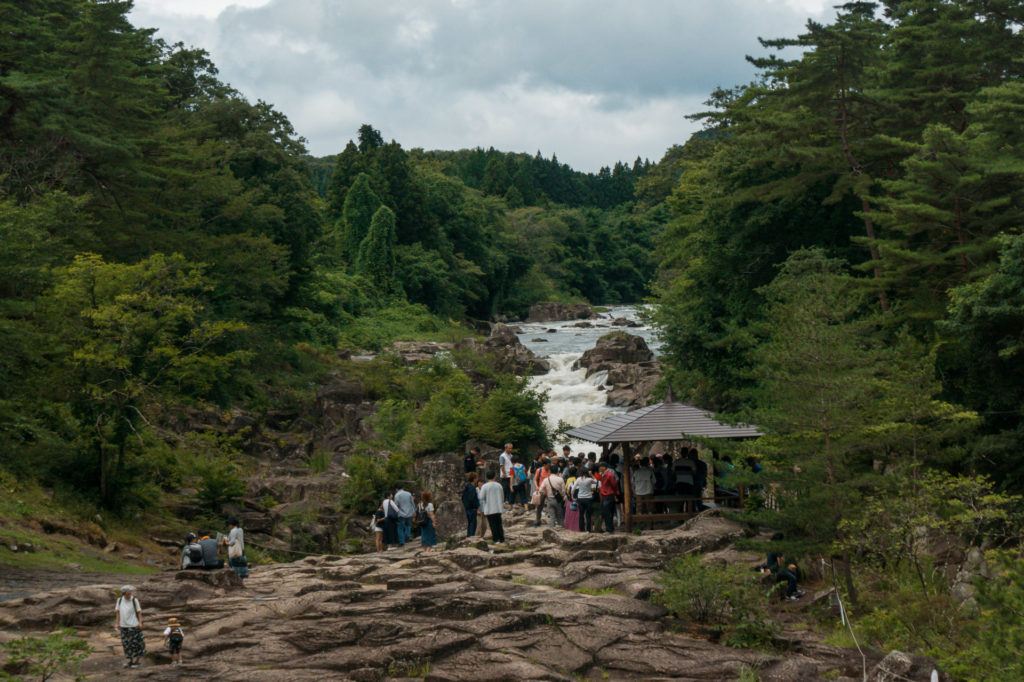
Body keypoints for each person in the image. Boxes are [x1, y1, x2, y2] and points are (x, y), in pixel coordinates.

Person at [114, 585, 145, 669]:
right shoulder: (119, 600)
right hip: (123, 626)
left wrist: (140, 622)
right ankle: (130, 661)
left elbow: (139, 612)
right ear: (124, 593)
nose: (130, 594)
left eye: (131, 592)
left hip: (134, 625)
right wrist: (117, 623)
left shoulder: (134, 600)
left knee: (137, 643)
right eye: (128, 593)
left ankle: (137, 661)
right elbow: (117, 612)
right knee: (127, 645)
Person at [478, 469, 505, 543]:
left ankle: (496, 539)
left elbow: (481, 497)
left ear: (487, 477)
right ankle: (502, 538)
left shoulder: (485, 486)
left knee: (492, 525)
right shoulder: (499, 485)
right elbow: (502, 496)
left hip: (489, 508)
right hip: (498, 507)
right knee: (499, 523)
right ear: (494, 476)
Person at [597, 462, 619, 534]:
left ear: (604, 467)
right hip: (607, 495)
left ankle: (609, 529)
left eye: (600, 467)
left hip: (608, 495)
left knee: (607, 513)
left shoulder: (608, 474)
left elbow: (614, 484)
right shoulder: (605, 474)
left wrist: (615, 493)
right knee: (609, 513)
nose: (599, 468)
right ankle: (610, 529)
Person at [632, 457, 656, 522]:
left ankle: (639, 524)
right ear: (647, 463)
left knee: (639, 510)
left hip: (638, 493)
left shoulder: (636, 472)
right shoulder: (650, 471)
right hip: (648, 492)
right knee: (649, 509)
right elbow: (654, 481)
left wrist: (634, 491)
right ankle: (650, 524)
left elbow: (632, 483)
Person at [461, 472, 480, 537]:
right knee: (473, 523)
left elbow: (463, 498)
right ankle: (471, 536)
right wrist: (476, 506)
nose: (477, 479)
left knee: (470, 523)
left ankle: (469, 535)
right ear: (474, 479)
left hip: (467, 508)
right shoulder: (472, 488)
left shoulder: (467, 486)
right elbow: (472, 498)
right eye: (476, 478)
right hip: (472, 508)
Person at [532, 460, 551, 527]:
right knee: (539, 506)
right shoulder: (539, 470)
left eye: (549, 465)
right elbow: (535, 479)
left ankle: (552, 522)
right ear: (544, 465)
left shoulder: (550, 470)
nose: (549, 466)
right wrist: (537, 487)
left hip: (549, 491)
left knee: (551, 506)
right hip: (541, 490)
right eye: (548, 465)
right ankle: (537, 520)